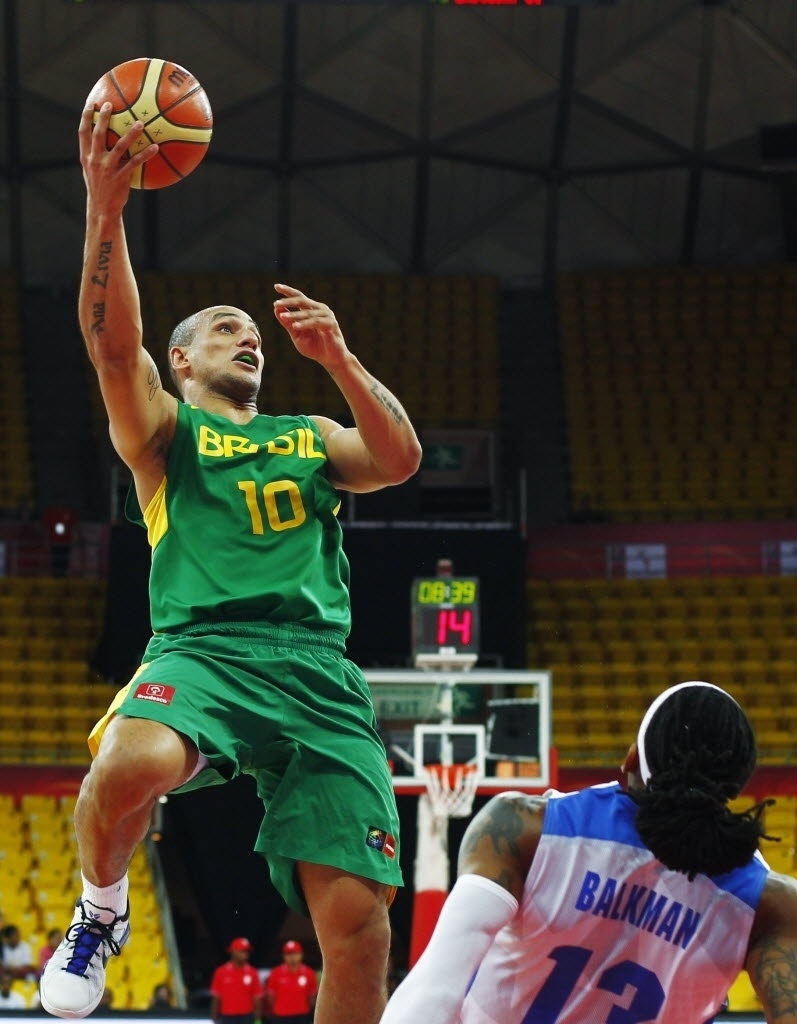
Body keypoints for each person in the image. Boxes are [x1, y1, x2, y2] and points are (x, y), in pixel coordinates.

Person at [39, 101, 422, 1024]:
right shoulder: (166, 432)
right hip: (202, 653)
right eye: (221, 326)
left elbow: (399, 458)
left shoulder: (309, 436)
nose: (245, 334)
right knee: (130, 766)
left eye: (250, 330)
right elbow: (109, 343)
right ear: (180, 359)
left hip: (318, 675)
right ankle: (101, 907)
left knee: (361, 929)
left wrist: (337, 356)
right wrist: (105, 206)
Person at [380, 680, 797, 1024]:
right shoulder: (769, 903)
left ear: (631, 758)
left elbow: (435, 989)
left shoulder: (524, 826)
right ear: (737, 786)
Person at [210, 939, 263, 1024]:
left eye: (247, 951)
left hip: (247, 1017)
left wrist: (258, 1020)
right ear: (233, 951)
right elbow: (216, 998)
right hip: (226, 1018)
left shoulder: (253, 972)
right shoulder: (220, 972)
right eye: (242, 951)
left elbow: (257, 999)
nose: (245, 954)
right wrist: (214, 1018)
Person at [263, 940, 317, 1022]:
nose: (292, 957)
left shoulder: (309, 973)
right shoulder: (275, 973)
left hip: (302, 1016)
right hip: (281, 1016)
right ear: (284, 956)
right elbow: (271, 997)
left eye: (295, 953)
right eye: (288, 954)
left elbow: (312, 996)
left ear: (301, 954)